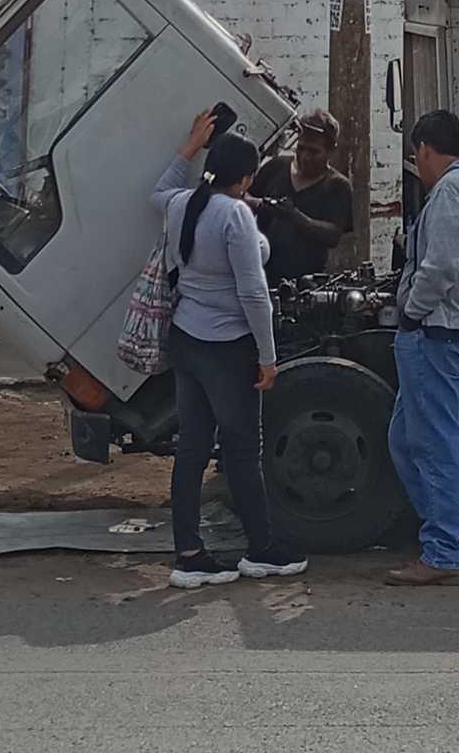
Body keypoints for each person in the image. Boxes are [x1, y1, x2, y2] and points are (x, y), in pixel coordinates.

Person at [152, 109, 307, 589]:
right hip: (227, 347)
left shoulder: (182, 204)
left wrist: (188, 147)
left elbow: (158, 191)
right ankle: (261, 550)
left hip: (186, 338)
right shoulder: (236, 215)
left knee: (192, 450)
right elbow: (254, 294)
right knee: (242, 451)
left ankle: (188, 554)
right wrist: (268, 356)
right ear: (246, 178)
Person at [384, 108, 459, 587]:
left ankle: (444, 552)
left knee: (433, 445)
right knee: (405, 439)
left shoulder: (452, 192)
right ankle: (453, 537)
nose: (418, 166)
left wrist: (410, 314)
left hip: (438, 333)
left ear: (426, 150)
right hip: (450, 333)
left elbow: (439, 269)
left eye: (417, 156)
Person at [251, 107, 354, 285]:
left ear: (331, 151)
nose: (305, 157)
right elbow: (242, 196)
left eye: (314, 151)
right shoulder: (276, 168)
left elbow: (334, 235)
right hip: (262, 276)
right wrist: (263, 205)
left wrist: (296, 217)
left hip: (307, 284)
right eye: (301, 148)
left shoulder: (337, 186)